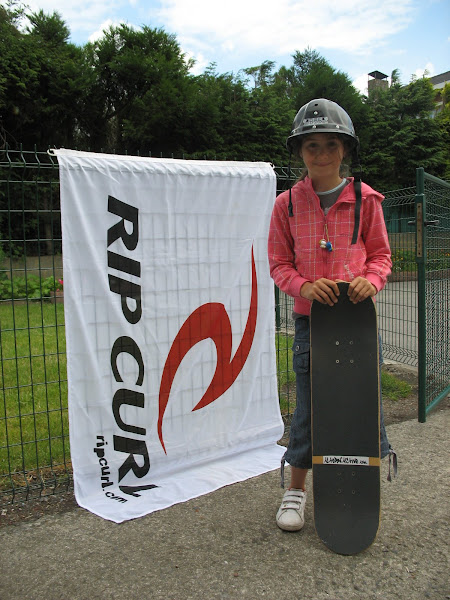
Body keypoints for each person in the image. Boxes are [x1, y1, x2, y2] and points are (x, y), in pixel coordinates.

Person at [268, 98, 394, 532]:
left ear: (345, 149)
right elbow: (278, 265)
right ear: (299, 151)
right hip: (311, 325)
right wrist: (303, 286)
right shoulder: (286, 205)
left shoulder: (367, 201)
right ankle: (297, 491)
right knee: (310, 410)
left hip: (357, 324)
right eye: (311, 146)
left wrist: (371, 281)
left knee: (361, 407)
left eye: (330, 145)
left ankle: (359, 484)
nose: (321, 154)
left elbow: (380, 257)